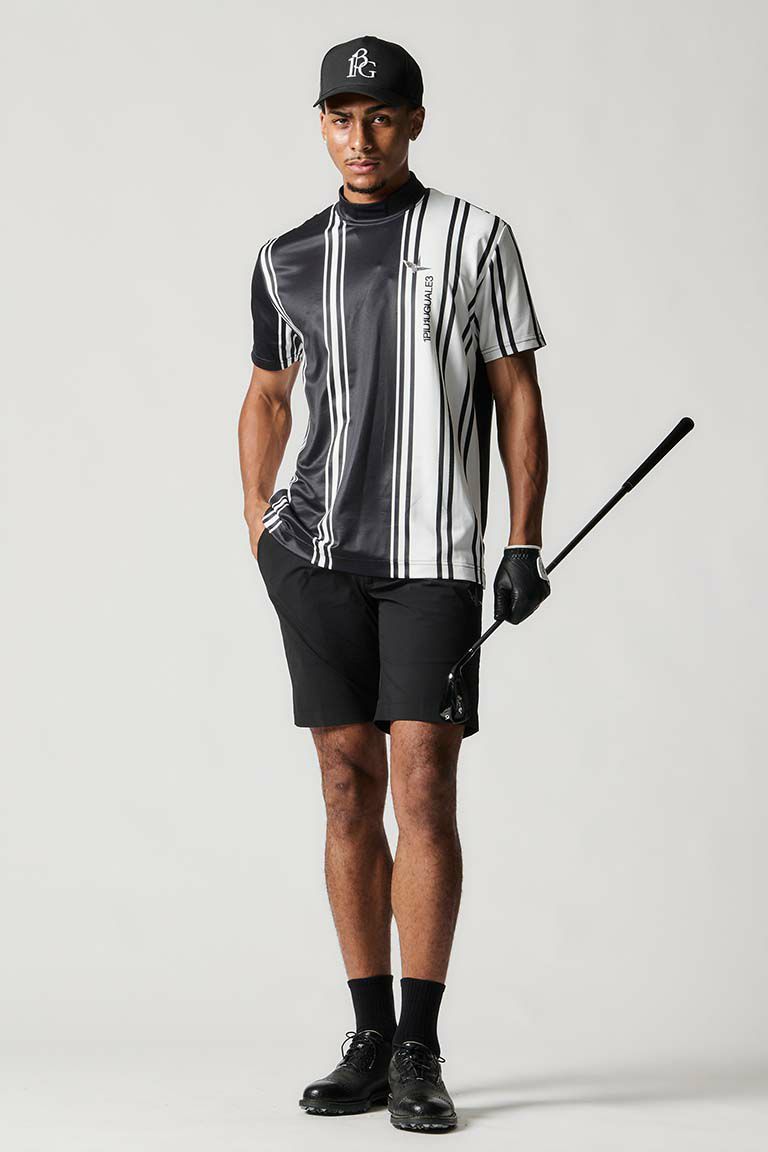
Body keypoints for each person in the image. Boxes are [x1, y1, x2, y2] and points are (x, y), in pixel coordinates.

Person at [238, 33, 551, 1133]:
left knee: (422, 786)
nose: (359, 137)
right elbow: (267, 395)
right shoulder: (286, 256)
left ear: (414, 121)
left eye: (379, 116)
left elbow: (515, 393)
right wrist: (258, 531)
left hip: (433, 561)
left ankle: (420, 1045)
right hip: (316, 558)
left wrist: (522, 543)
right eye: (341, 117)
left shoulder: (477, 238)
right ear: (322, 125)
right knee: (342, 786)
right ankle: (368, 1038)